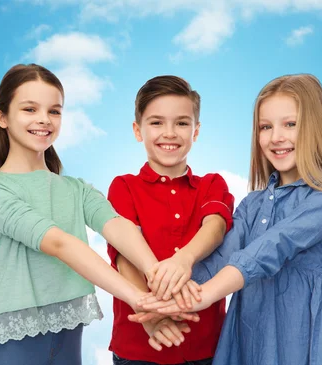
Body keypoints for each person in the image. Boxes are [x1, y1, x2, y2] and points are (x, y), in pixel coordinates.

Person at [135, 74, 322, 365]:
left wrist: (201, 297)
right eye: (265, 127)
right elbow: (220, 259)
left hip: (301, 341)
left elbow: (272, 247)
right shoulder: (252, 204)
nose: (276, 137)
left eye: (290, 124)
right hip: (246, 338)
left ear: (316, 128)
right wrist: (165, 296)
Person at [0, 64, 166, 364]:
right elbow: (60, 245)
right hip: (13, 339)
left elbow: (116, 226)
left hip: (67, 330)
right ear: (2, 117)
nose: (43, 119)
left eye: (54, 111)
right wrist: (138, 299)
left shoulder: (75, 189)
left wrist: (158, 274)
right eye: (29, 109)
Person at [107, 75, 234, 365]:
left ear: (196, 130)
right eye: (156, 122)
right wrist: (149, 315)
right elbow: (124, 256)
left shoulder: (212, 184)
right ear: (138, 130)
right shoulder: (124, 186)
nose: (170, 133)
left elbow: (215, 226)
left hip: (206, 345)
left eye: (181, 123)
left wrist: (184, 260)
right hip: (138, 345)